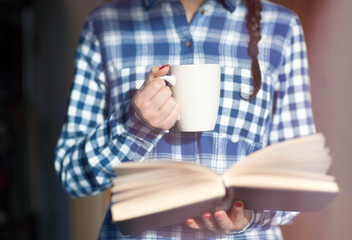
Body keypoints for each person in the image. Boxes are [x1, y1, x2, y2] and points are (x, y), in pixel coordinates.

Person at [54, 0, 316, 239]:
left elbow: (299, 177)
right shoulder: (105, 25)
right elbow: (72, 177)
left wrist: (249, 215)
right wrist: (135, 126)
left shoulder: (282, 27)